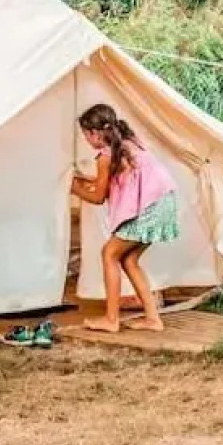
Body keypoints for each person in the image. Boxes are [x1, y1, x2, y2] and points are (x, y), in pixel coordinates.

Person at [70, 104, 179, 333]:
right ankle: (153, 319)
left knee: (109, 253)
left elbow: (99, 196)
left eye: (86, 134)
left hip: (150, 207)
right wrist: (85, 181)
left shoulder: (105, 156)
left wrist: (73, 187)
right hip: (164, 202)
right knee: (128, 259)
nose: (86, 139)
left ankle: (111, 320)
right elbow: (116, 181)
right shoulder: (128, 142)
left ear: (95, 133)